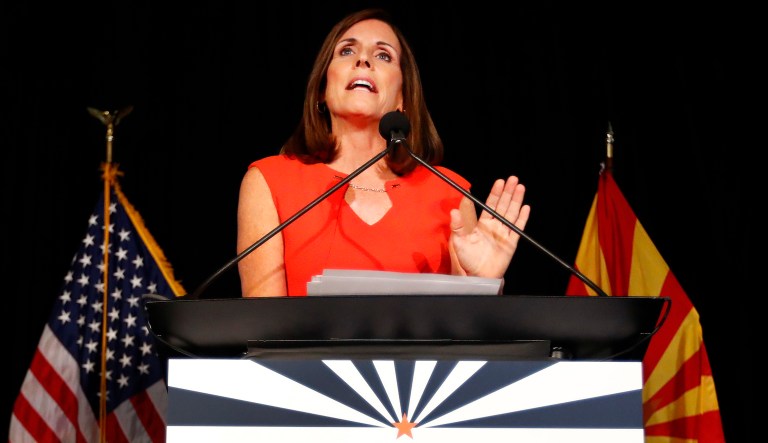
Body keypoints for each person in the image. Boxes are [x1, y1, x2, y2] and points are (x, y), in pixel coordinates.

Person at [237, 8, 530, 297]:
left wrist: (484, 284)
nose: (363, 60)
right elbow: (265, 331)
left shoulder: (449, 194)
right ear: (322, 90)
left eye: (383, 55)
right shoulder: (270, 181)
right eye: (346, 51)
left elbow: (467, 336)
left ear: (403, 97)